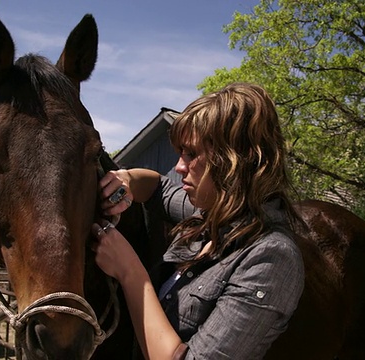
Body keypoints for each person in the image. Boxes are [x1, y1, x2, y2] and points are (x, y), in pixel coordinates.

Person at [91, 82, 305, 360]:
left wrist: (130, 272)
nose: (179, 166)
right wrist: (127, 179)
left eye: (191, 154)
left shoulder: (270, 259)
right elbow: (158, 189)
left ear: (237, 161)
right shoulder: (212, 215)